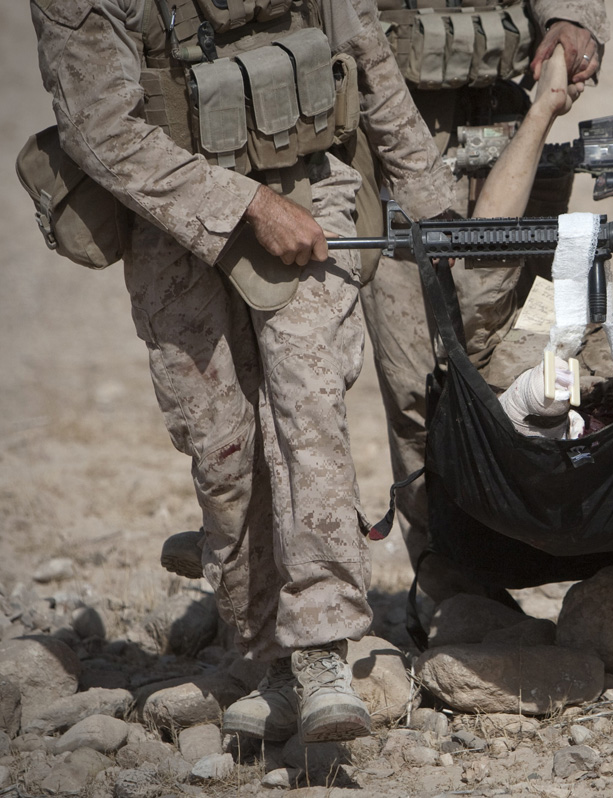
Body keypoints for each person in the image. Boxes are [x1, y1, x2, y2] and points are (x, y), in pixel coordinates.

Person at [30, 0, 453, 743]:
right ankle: (262, 656)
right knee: (221, 445)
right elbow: (98, 129)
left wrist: (433, 205)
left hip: (312, 184)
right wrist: (246, 206)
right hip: (173, 216)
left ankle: (322, 650)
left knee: (305, 405)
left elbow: (365, 51)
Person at [359, 0, 609, 602]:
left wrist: (570, 22)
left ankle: (525, 550)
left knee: (533, 356)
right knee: (418, 383)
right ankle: (447, 577)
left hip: (510, 121)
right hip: (395, 135)